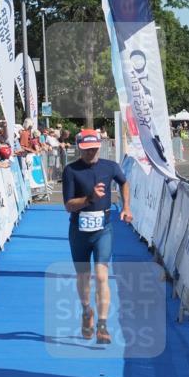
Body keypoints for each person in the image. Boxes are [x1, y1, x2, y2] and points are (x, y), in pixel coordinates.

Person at [62, 129, 132, 346]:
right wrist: (89, 198)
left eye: (93, 149)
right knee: (83, 276)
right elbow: (68, 205)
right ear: (79, 148)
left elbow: (124, 182)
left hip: (103, 229)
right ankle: (87, 311)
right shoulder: (71, 170)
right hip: (79, 231)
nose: (90, 153)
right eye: (86, 149)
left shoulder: (110, 167)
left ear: (99, 147)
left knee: (102, 276)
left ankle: (102, 325)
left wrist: (126, 207)